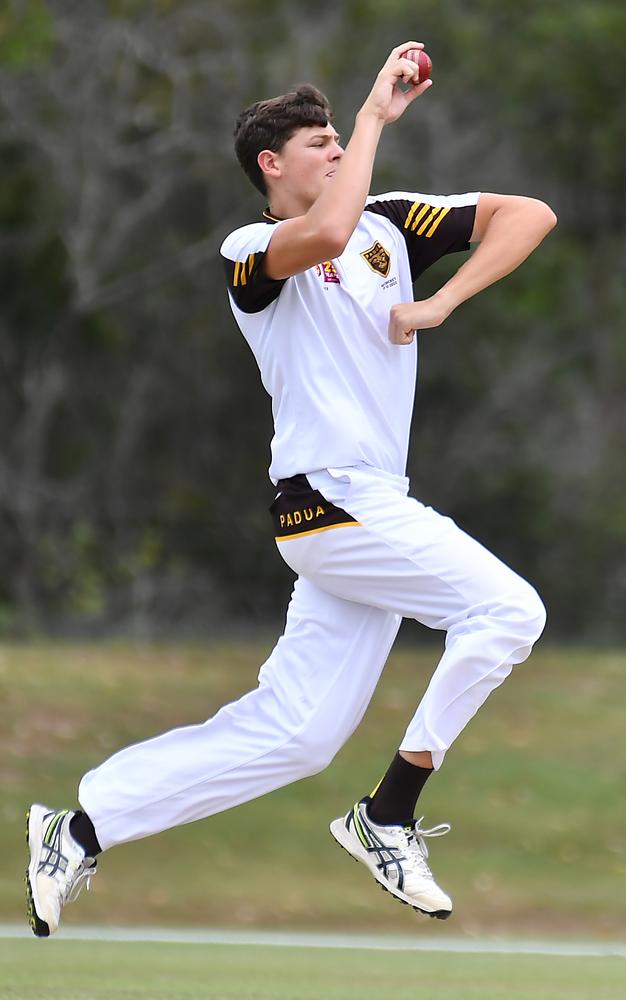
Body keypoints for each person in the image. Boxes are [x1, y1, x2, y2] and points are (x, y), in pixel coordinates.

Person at [26, 41, 556, 938]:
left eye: (342, 140)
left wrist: (440, 302)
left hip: (366, 509)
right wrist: (376, 116)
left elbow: (528, 215)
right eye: (323, 144)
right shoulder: (252, 248)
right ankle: (387, 817)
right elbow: (322, 236)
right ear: (271, 166)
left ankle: (78, 829)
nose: (341, 150)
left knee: (298, 734)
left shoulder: (391, 225)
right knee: (512, 612)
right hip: (329, 499)